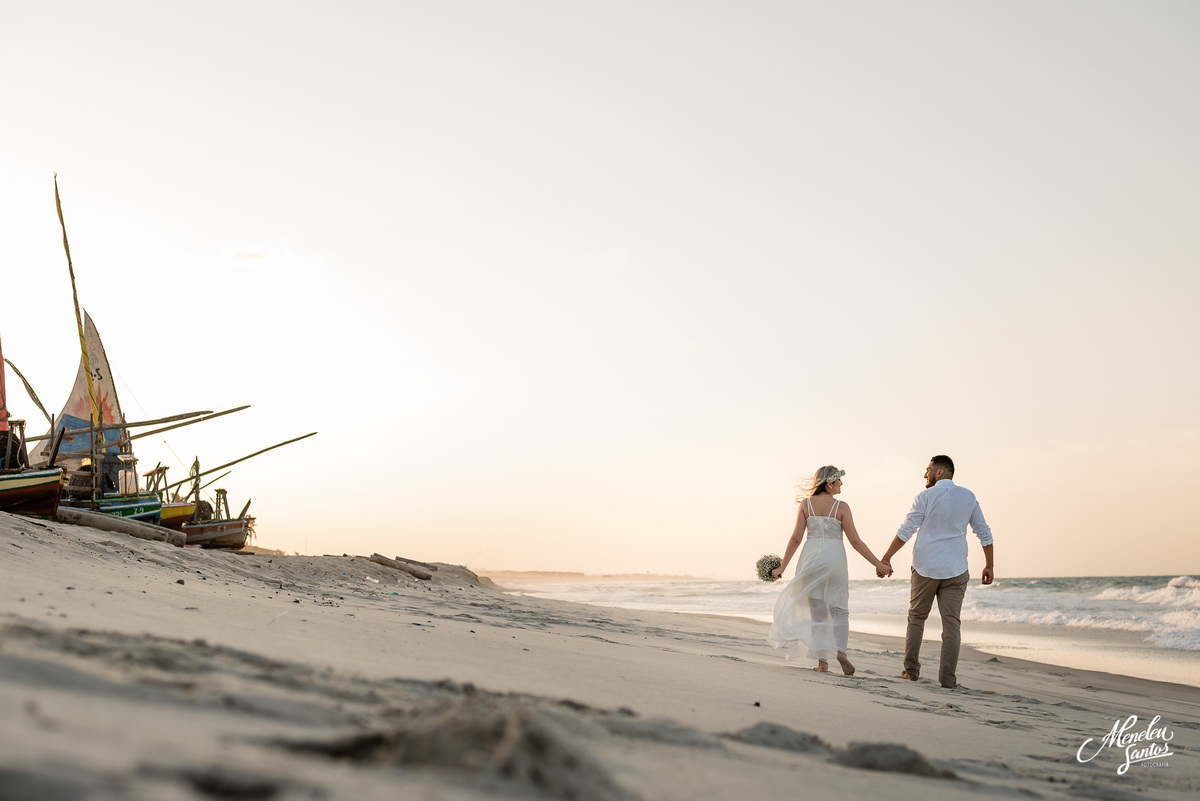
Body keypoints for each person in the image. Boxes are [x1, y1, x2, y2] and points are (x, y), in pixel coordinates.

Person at [879, 455, 994, 689]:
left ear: (939, 472)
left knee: (916, 618)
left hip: (925, 567)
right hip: (956, 569)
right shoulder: (968, 496)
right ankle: (948, 680)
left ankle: (911, 672)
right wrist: (989, 565)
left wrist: (887, 557)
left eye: (928, 469)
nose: (925, 474)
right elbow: (984, 532)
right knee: (952, 625)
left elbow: (906, 530)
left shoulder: (925, 496)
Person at [767, 465, 891, 674]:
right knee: (840, 609)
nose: (842, 483)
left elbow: (796, 538)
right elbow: (855, 541)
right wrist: (878, 564)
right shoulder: (842, 507)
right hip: (835, 558)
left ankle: (822, 663)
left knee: (818, 612)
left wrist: (782, 567)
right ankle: (841, 651)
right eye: (839, 480)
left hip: (811, 558)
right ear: (829, 482)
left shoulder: (806, 505)